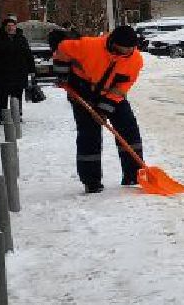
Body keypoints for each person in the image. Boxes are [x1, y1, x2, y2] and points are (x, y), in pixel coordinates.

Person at [54, 23, 144, 194]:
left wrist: (103, 110)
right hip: (81, 89)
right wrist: (62, 74)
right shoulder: (89, 46)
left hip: (111, 94)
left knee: (129, 130)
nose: (129, 51)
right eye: (125, 47)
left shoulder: (135, 60)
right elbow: (63, 48)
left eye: (132, 48)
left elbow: (120, 89)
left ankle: (134, 174)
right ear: (114, 42)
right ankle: (91, 181)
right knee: (89, 134)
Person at [0, 16, 32, 123]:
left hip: (18, 73)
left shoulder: (21, 39)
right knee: (2, 96)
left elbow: (28, 55)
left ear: (16, 27)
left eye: (13, 26)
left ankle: (17, 114)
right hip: (2, 74)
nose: (11, 28)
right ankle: (2, 117)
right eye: (9, 26)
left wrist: (31, 69)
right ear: (5, 27)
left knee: (17, 95)